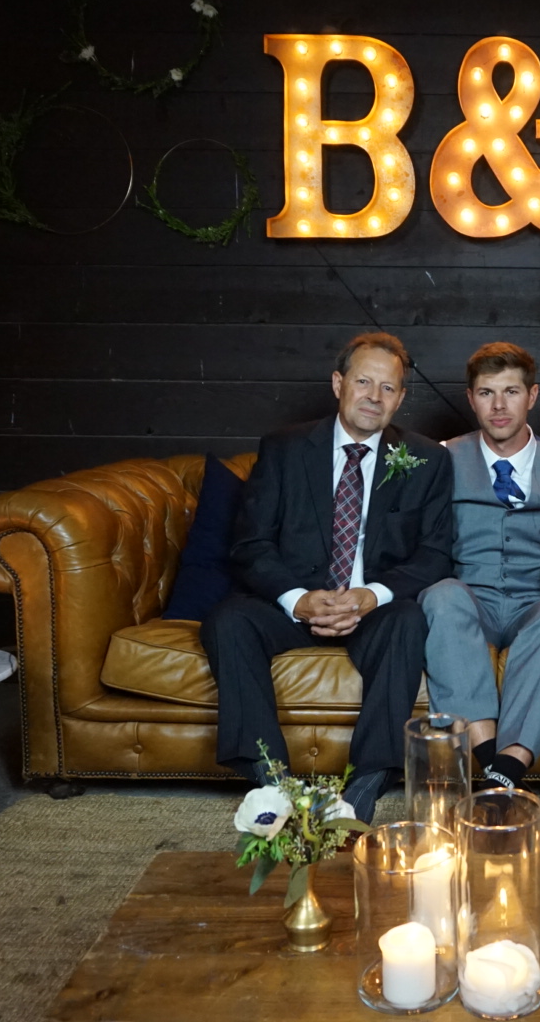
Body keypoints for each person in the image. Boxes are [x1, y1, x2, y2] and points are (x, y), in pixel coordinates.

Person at [202, 332, 453, 823]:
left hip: (372, 609)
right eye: (363, 382)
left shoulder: (427, 459)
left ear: (400, 398)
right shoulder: (284, 448)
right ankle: (271, 783)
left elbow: (435, 555)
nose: (374, 396)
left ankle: (364, 785)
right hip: (296, 605)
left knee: (407, 621)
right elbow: (250, 544)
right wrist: (298, 599)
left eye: (388, 388)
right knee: (228, 620)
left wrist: (370, 596)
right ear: (339, 383)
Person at [420, 343, 540, 792]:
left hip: (536, 602)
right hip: (469, 598)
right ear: (470, 399)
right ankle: (490, 758)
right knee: (441, 596)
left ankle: (510, 764)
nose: (498, 406)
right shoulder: (440, 459)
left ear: (532, 396)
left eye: (511, 392)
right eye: (486, 393)